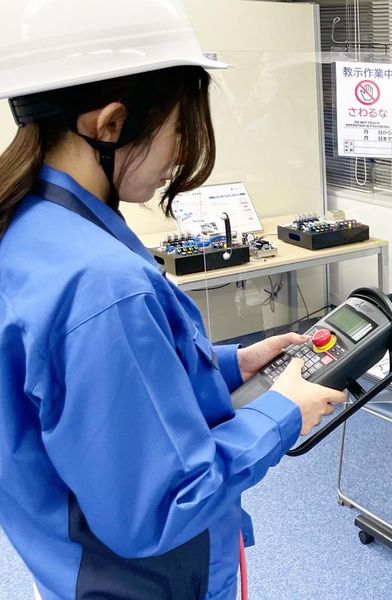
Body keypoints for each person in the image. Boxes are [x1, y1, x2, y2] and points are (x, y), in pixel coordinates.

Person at [0, 2, 345, 598]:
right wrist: (282, 411)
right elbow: (161, 505)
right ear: (111, 124)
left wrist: (231, 365)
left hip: (68, 567)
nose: (183, 155)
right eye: (179, 130)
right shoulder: (101, 283)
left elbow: (85, 392)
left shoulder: (33, 226)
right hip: (146, 583)